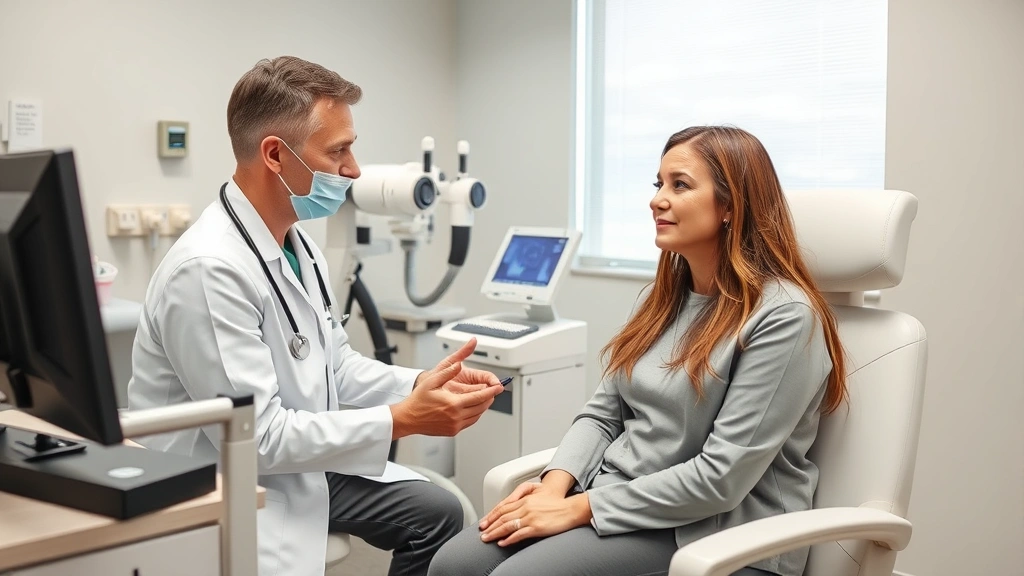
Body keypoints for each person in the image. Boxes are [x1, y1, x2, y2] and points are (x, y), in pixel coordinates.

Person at [127, 56, 504, 576]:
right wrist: (402, 418)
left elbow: (336, 365)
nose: (354, 169)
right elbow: (257, 439)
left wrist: (422, 383)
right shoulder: (208, 270)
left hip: (296, 461)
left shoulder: (297, 243)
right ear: (275, 155)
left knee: (437, 512)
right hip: (221, 480)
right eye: (338, 150)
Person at [428, 125, 848, 576]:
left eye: (679, 185)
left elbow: (721, 480)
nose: (656, 200)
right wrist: (554, 489)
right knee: (454, 565)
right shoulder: (665, 299)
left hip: (716, 531)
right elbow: (602, 414)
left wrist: (578, 509)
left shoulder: (785, 317)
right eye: (658, 183)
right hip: (619, 498)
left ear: (730, 206)